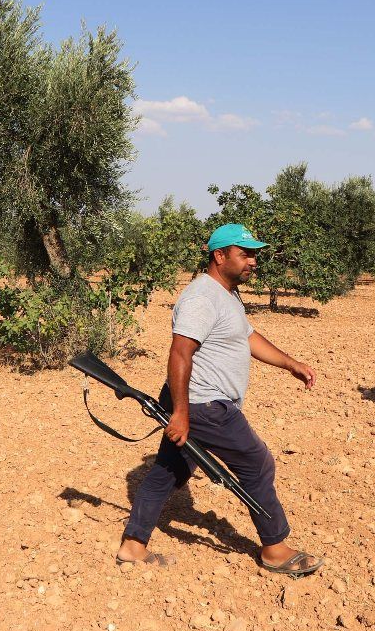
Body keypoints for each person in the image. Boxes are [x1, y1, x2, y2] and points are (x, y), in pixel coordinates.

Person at [115, 224, 322, 576]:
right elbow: (180, 353)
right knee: (257, 465)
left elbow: (247, 336)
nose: (253, 262)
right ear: (220, 255)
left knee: (169, 470)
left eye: (254, 254)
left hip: (195, 403)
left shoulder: (226, 294)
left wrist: (290, 363)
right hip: (205, 405)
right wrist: (181, 413)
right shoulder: (202, 298)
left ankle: (133, 546)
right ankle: (274, 548)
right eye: (246, 254)